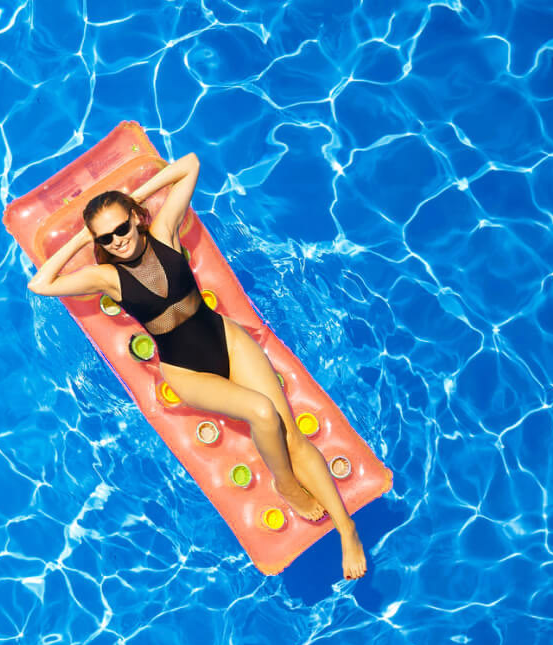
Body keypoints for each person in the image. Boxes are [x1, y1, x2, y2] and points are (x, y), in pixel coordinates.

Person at [26, 153, 368, 580]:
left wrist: (134, 200)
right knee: (262, 412)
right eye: (106, 237)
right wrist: (83, 238)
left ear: (136, 219)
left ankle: (347, 529)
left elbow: (189, 164)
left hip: (227, 340)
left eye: (122, 228)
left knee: (292, 434)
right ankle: (285, 484)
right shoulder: (107, 278)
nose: (117, 241)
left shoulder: (164, 232)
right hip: (186, 371)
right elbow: (41, 284)